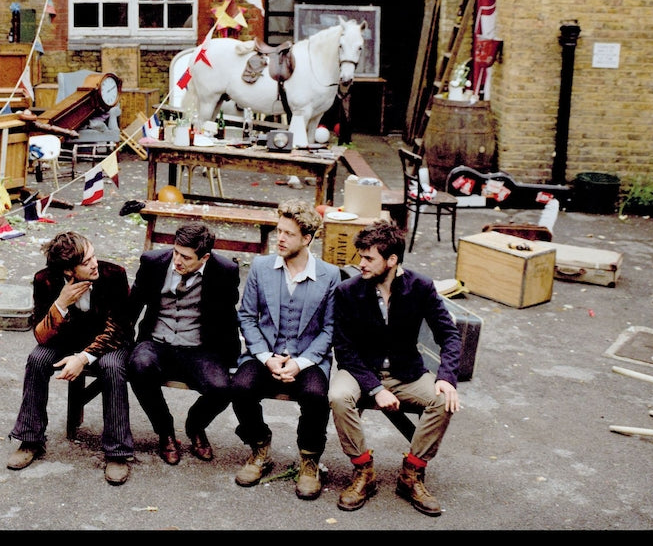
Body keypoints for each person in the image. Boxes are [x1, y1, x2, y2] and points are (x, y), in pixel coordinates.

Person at [329, 220, 462, 516]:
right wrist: (375, 389)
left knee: (444, 400)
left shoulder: (420, 287)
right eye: (360, 256)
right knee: (338, 396)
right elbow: (344, 349)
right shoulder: (348, 291)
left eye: (368, 258)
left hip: (406, 372)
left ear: (391, 260)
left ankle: (411, 473)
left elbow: (449, 335)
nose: (361, 264)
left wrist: (446, 377)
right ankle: (363, 471)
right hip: (361, 372)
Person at [230, 200, 340, 499]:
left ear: (307, 239)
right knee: (240, 387)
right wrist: (266, 358)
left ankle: (309, 460)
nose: (280, 238)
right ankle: (259, 446)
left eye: (289, 234)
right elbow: (247, 316)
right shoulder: (261, 267)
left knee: (316, 395)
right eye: (279, 231)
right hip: (265, 352)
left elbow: (330, 328)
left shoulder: (330, 275)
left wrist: (300, 363)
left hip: (308, 357)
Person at [7, 231, 135, 486]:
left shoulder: (114, 275)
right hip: (66, 339)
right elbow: (41, 336)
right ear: (68, 270)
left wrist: (83, 358)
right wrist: (61, 304)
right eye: (86, 262)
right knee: (37, 360)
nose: (94, 264)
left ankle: (118, 452)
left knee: (112, 367)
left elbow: (119, 328)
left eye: (93, 256)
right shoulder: (45, 280)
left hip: (110, 342)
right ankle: (30, 439)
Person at [127, 221, 240, 465]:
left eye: (186, 257)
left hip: (198, 347)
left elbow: (229, 319)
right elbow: (132, 306)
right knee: (139, 366)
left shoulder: (225, 271)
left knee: (222, 389)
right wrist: (124, 345)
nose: (177, 261)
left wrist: (232, 363)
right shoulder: (153, 262)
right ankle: (165, 430)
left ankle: (195, 425)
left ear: (205, 257)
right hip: (156, 341)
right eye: (176, 252)